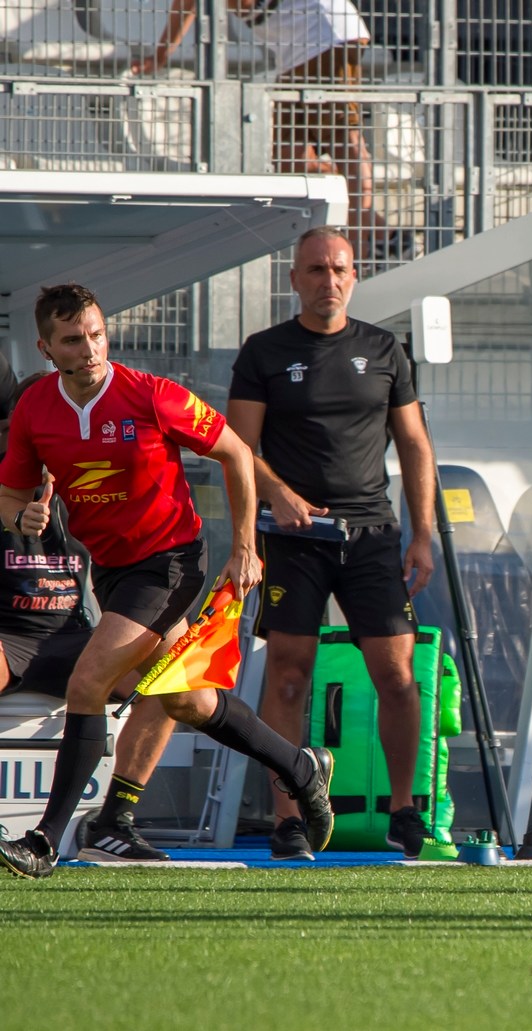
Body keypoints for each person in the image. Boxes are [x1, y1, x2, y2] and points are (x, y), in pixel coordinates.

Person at [0, 284, 334, 880]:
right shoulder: (34, 410)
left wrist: (245, 550)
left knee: (88, 681)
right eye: (73, 339)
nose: (90, 347)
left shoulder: (149, 395)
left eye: (97, 333)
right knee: (184, 698)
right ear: (47, 348)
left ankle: (46, 840)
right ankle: (301, 766)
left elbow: (234, 452)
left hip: (173, 561)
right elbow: (12, 497)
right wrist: (21, 516)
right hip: (114, 570)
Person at [227, 226, 436, 861]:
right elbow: (236, 450)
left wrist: (422, 532)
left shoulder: (384, 349)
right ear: (295, 279)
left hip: (371, 533)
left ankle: (404, 811)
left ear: (354, 274)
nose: (329, 280)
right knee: (289, 677)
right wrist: (277, 495)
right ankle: (289, 819)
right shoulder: (265, 351)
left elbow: (415, 445)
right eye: (316, 270)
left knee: (398, 676)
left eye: (340, 269)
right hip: (294, 537)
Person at [0, 372, 181, 863]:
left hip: (76, 635)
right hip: (8, 637)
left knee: (175, 681)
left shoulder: (97, 485)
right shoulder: (8, 488)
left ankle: (113, 819)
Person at [131, 0, 404, 265]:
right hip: (294, 49)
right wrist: (161, 54)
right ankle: (384, 234)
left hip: (323, 33)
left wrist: (161, 55)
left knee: (342, 139)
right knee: (290, 159)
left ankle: (360, 246)